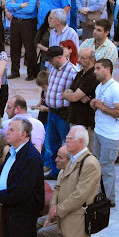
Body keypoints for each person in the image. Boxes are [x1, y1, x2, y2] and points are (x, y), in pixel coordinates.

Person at [89, 58, 119, 207]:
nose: (95, 72)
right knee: (97, 165)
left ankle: (109, 199)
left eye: (98, 68)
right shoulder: (100, 87)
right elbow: (100, 106)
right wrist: (94, 105)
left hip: (111, 135)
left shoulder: (116, 89)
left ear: (108, 69)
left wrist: (103, 107)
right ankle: (98, 195)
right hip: (99, 130)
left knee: (106, 167)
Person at [43, 46, 78, 179]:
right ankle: (55, 171)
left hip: (63, 114)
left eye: (51, 60)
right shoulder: (54, 69)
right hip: (52, 112)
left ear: (59, 58)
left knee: (66, 144)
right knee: (52, 143)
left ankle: (67, 172)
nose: (49, 63)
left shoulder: (72, 71)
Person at [63, 47, 98, 150]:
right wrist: (76, 96)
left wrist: (75, 96)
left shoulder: (92, 76)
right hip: (75, 119)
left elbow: (73, 97)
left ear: (91, 60)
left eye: (83, 58)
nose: (78, 60)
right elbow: (66, 93)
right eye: (79, 57)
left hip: (86, 123)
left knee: (86, 152)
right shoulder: (80, 73)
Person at [7, 0, 39, 80]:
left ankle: (31, 73)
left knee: (29, 48)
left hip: (28, 23)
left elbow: (30, 9)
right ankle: (15, 71)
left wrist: (15, 7)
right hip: (15, 21)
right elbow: (7, 4)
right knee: (14, 47)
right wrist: (21, 6)